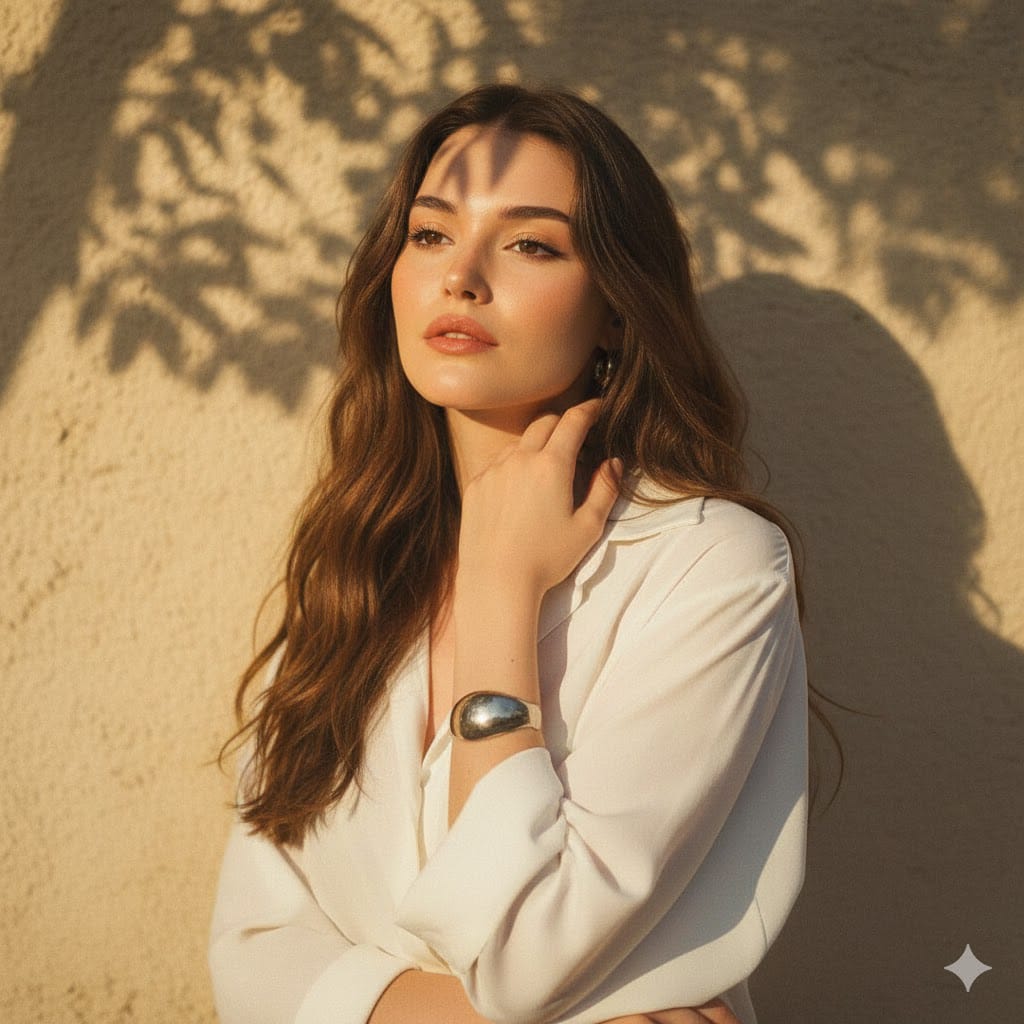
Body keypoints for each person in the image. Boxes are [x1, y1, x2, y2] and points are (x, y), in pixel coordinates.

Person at [209, 84, 809, 1024]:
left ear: (616, 307)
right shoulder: (359, 564)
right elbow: (252, 950)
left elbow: (525, 956)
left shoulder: (710, 565)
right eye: (431, 234)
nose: (462, 277)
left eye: (531, 243)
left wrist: (499, 589)